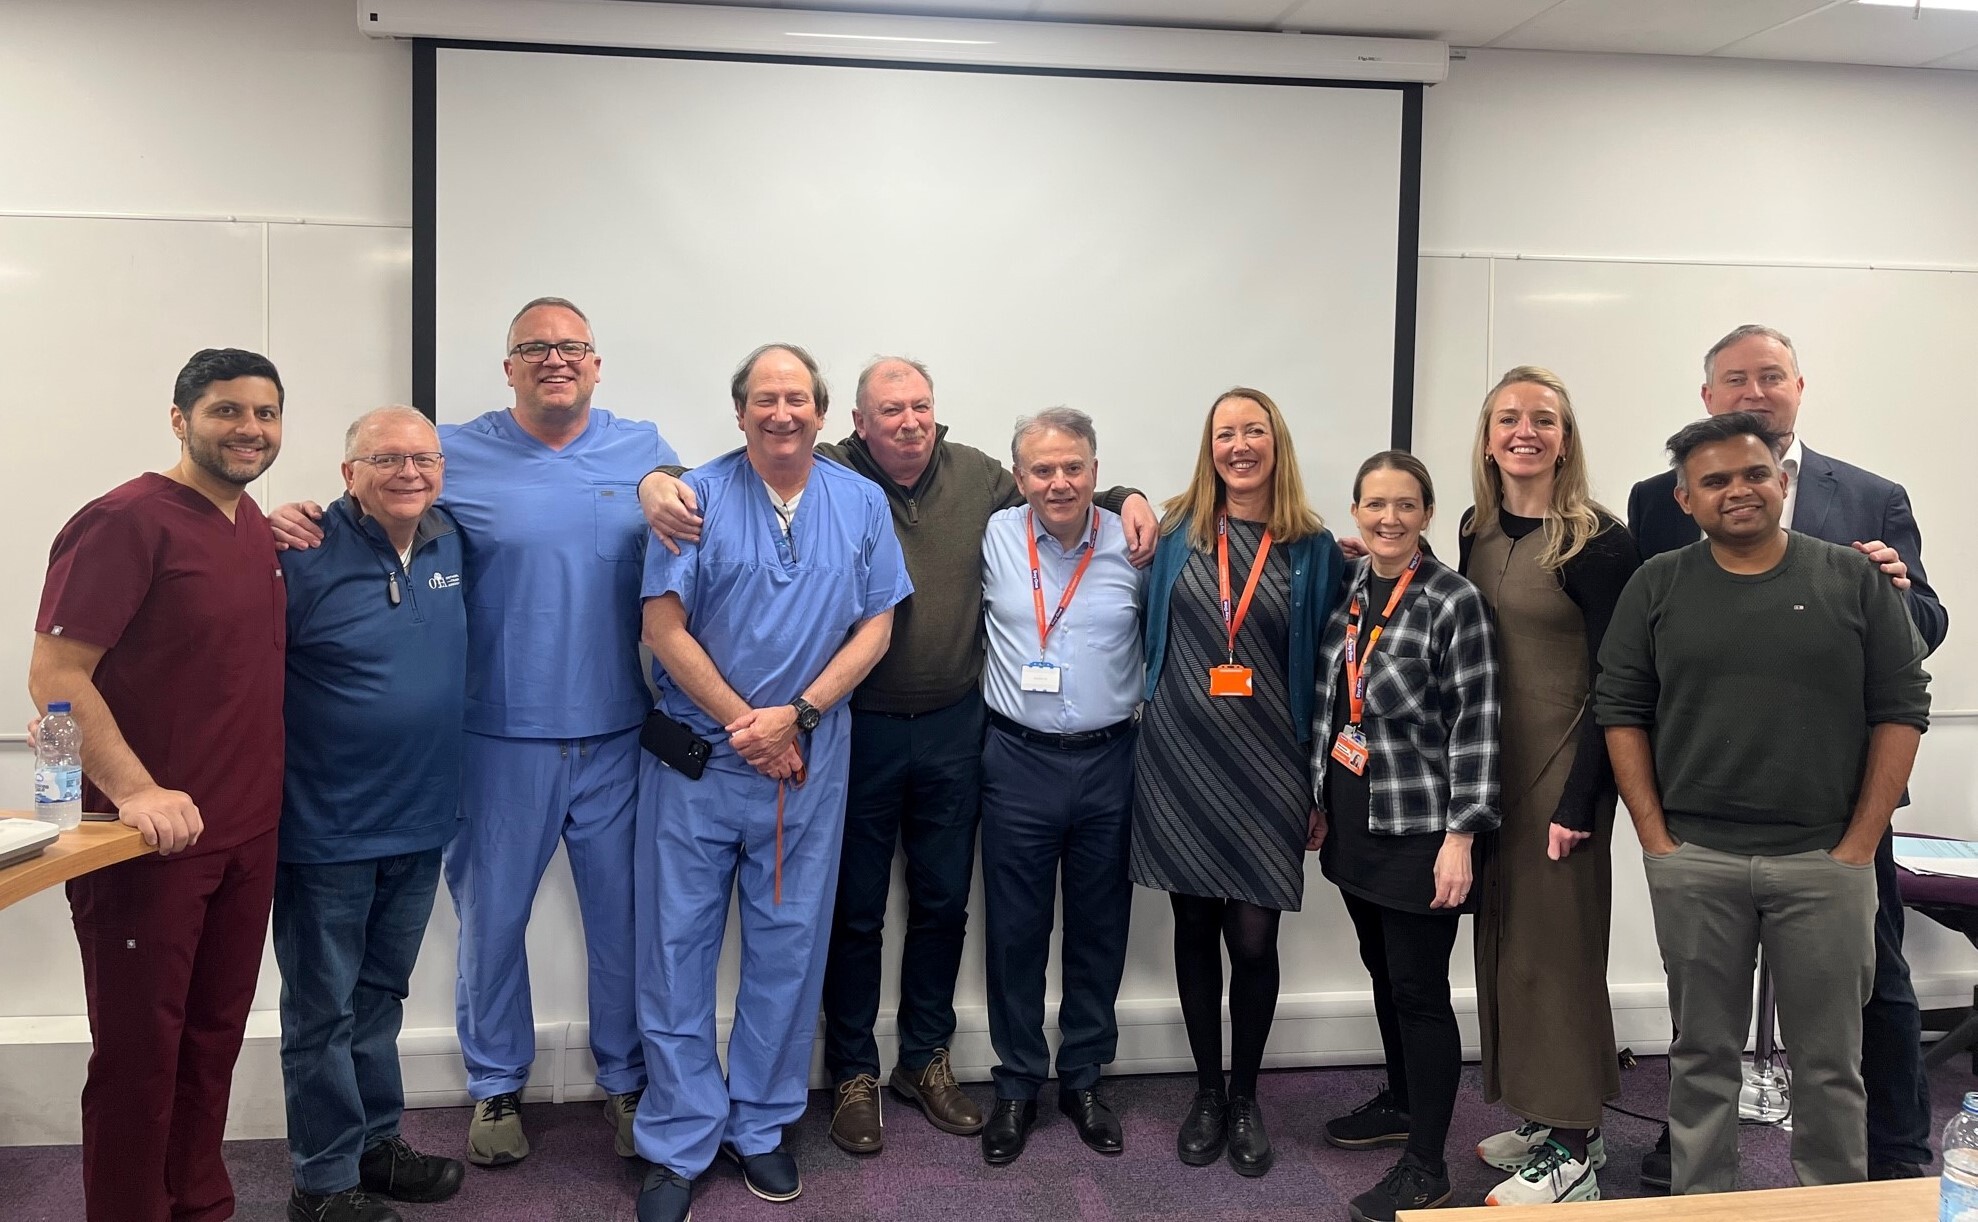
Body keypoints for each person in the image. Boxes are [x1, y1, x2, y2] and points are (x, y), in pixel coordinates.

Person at [638, 357, 1158, 1157]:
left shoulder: (979, 478)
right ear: (854, 420)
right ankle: (852, 1070)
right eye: (890, 410)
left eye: (921, 406)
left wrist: (1129, 496)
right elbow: (734, 467)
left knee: (943, 902)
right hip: (855, 727)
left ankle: (925, 1058)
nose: (909, 422)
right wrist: (654, 480)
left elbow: (1062, 483)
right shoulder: (830, 468)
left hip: (955, 727)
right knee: (849, 909)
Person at [273, 298, 678, 1165]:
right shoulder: (452, 454)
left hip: (616, 734)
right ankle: (496, 1084)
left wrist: (659, 480)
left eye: (571, 347)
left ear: (596, 362)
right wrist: (295, 517)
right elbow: (378, 502)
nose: (555, 360)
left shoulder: (643, 446)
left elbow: (691, 512)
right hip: (495, 738)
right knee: (491, 925)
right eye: (535, 347)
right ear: (509, 367)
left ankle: (626, 1078)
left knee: (624, 926)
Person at [1625, 324, 1948, 1187]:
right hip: (1707, 808)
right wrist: (1656, 835)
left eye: (1771, 376)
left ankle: (1895, 1156)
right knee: (1704, 1024)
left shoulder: (1871, 496)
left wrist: (1895, 594)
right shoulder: (1655, 501)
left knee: (1869, 992)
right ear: (1708, 397)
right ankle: (1693, 1166)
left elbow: (1920, 640)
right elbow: (1641, 656)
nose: (1754, 391)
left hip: (1839, 804)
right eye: (1735, 379)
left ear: (1799, 388)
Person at [631, 344, 911, 1222]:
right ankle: (678, 1137)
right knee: (674, 952)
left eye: (797, 398)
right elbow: (662, 627)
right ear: (740, 411)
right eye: (764, 398)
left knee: (788, 953)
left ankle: (759, 1124)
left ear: (822, 414)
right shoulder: (693, 498)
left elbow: (876, 627)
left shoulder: (860, 502)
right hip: (701, 764)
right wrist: (749, 728)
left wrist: (800, 715)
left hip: (808, 765)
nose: (781, 412)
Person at [29, 349, 288, 1222]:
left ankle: (200, 1205)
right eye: (226, 410)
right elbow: (56, 676)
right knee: (140, 1061)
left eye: (265, 413)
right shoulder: (123, 522)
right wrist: (136, 791)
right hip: (147, 845)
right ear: (180, 419)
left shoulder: (254, 530)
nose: (249, 429)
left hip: (246, 833)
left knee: (212, 1043)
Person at [1130, 387, 1344, 1177]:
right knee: (1193, 925)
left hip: (1270, 764)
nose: (1240, 445)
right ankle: (1208, 1092)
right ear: (1210, 446)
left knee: (1253, 937)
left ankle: (1247, 1095)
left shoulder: (1313, 546)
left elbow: (1331, 669)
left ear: (1276, 443)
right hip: (1179, 758)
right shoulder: (1175, 532)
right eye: (1226, 433)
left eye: (1255, 431)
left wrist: (1320, 786)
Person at [274, 407, 468, 1222]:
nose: (409, 473)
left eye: (424, 458)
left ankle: (374, 1146)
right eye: (387, 459)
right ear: (348, 472)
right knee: (322, 1010)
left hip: (421, 819)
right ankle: (322, 1184)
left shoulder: (453, 540)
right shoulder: (298, 553)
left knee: (382, 995)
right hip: (326, 827)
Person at [1457, 368, 1640, 1206]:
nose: (1524, 432)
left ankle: (1574, 1153)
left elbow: (1621, 680)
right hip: (1490, 774)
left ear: (1565, 440)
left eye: (1544, 419)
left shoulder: (1598, 542)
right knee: (1509, 946)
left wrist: (1582, 801)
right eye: (1508, 419)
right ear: (1488, 437)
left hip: (1563, 776)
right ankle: (1548, 1113)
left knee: (1559, 955)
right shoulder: (1478, 528)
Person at [1314, 450, 1500, 1222]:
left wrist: (1462, 837)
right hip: (1356, 821)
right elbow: (1334, 703)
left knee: (1420, 991)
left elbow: (1477, 723)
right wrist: (1317, 799)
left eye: (1405, 505)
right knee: (1383, 972)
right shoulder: (1351, 587)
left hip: (1423, 829)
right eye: (1375, 504)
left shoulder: (1455, 601)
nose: (1389, 518)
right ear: (1355, 512)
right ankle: (1400, 1101)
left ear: (1427, 514)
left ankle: (1427, 1167)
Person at [976, 408, 1145, 1168]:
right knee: (1015, 931)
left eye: (1073, 467)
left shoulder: (1135, 544)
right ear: (1019, 479)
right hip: (1018, 759)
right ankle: (1017, 1082)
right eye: (1042, 469)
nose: (1059, 482)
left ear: (1096, 472)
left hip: (1113, 759)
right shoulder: (992, 536)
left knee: (1099, 926)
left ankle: (1083, 1077)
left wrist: (1134, 498)